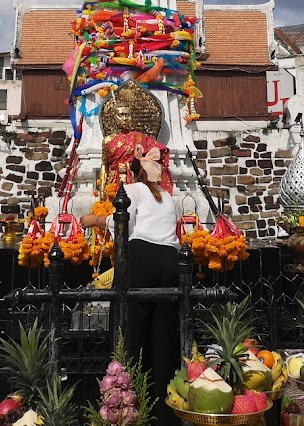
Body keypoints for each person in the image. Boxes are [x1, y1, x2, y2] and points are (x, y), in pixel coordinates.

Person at [82, 141, 178, 426]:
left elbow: (122, 222)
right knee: (163, 335)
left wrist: (94, 219)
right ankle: (164, 409)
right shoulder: (167, 197)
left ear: (134, 174)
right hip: (170, 261)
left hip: (143, 257)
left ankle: (127, 403)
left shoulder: (133, 190)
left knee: (131, 330)